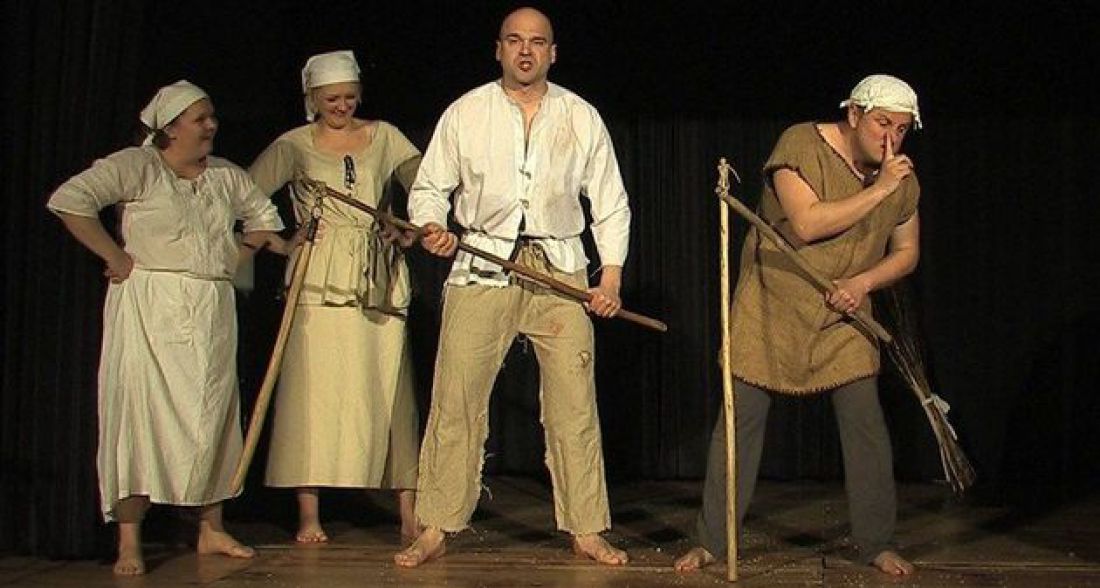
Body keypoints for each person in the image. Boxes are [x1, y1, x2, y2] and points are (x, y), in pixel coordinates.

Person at [393, 6, 632, 568]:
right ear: (499, 48)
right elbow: (429, 188)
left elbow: (610, 201)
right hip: (482, 267)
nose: (526, 50)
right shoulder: (466, 112)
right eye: (515, 40)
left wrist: (611, 277)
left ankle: (586, 527)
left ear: (553, 52)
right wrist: (432, 228)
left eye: (538, 42)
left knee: (574, 404)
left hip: (559, 270)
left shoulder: (580, 115)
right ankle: (436, 524)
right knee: (456, 398)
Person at [674, 74, 923, 577]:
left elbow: (907, 252)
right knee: (739, 423)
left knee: (866, 425)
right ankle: (712, 541)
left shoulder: (902, 182)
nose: (890, 139)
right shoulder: (801, 145)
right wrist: (880, 190)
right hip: (772, 305)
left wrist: (863, 282)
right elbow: (807, 224)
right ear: (853, 114)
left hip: (843, 313)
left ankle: (877, 542)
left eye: (900, 129)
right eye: (881, 124)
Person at [46, 80, 284, 575]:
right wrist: (115, 256)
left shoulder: (224, 175)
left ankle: (211, 528)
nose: (211, 125)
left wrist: (236, 257)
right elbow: (70, 200)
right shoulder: (138, 166)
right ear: (170, 129)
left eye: (212, 116)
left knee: (211, 415)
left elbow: (263, 218)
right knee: (139, 416)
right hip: (150, 308)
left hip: (211, 308)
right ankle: (129, 540)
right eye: (200, 119)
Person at [248, 50, 422, 544]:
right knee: (313, 395)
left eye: (349, 97)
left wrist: (410, 228)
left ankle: (408, 511)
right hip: (319, 278)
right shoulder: (293, 144)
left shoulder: (385, 137)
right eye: (331, 100)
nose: (342, 106)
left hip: (376, 277)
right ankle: (310, 515)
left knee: (389, 390)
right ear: (312, 98)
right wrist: (282, 242)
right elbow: (242, 195)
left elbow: (428, 188)